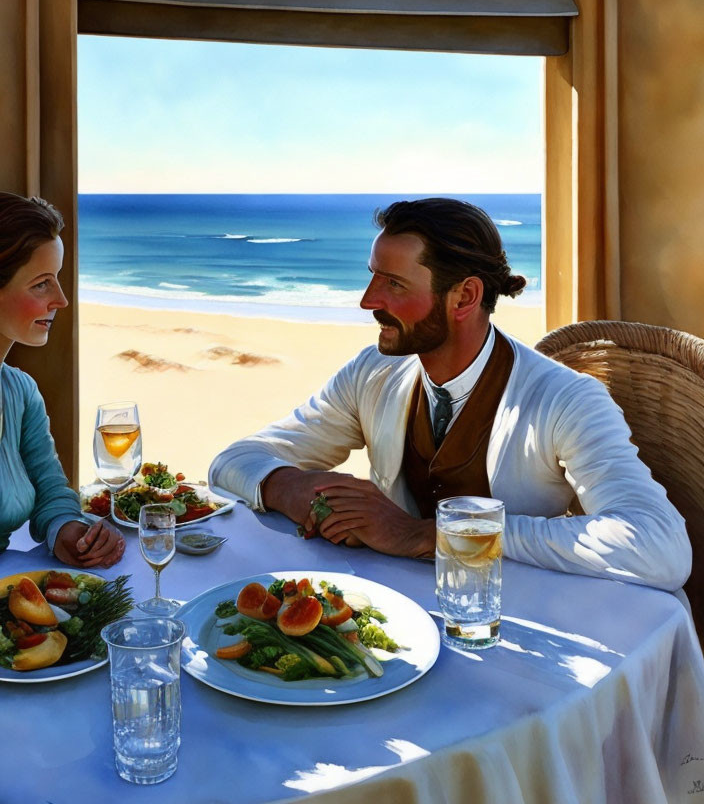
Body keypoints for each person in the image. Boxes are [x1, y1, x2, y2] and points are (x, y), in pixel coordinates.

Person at [210, 197, 691, 591]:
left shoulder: (566, 399)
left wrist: (428, 534)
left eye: (393, 283)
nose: (368, 300)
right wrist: (291, 489)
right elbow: (235, 459)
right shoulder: (371, 372)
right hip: (386, 618)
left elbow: (659, 547)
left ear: (464, 297)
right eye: (373, 275)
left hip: (514, 632)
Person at [0, 192, 125, 566]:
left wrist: (67, 529)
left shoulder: (19, 392)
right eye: (41, 284)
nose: (61, 300)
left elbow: (50, 488)